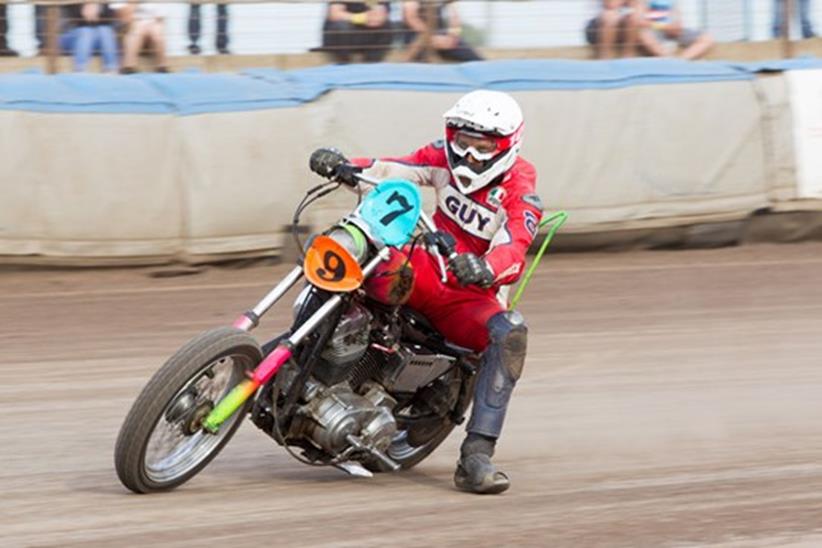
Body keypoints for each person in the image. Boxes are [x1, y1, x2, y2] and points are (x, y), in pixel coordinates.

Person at [309, 90, 543, 494]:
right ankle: (311, 349)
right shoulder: (441, 156)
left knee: (510, 334)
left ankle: (476, 456)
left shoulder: (521, 186)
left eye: (481, 147)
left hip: (470, 293)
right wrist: (345, 165)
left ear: (506, 146)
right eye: (463, 142)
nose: (468, 155)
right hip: (425, 264)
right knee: (364, 248)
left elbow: (516, 248)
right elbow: (394, 168)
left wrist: (486, 267)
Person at [402, 0, 482, 62]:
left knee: (471, 55)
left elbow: (454, 17)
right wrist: (431, 37)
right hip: (417, 36)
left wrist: (453, 36)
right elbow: (411, 18)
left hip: (441, 35)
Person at [320, 0, 393, 63]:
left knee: (387, 26)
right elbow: (335, 14)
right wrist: (360, 18)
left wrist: (374, 17)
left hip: (364, 33)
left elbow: (379, 14)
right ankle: (344, 65)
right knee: (342, 26)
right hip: (340, 37)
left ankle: (371, 65)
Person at [638, 0, 713, 60]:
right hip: (654, 31)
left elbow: (677, 16)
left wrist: (677, 25)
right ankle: (667, 59)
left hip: (674, 31)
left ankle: (680, 61)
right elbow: (639, 21)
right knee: (643, 33)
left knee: (707, 38)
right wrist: (665, 26)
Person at [60, 2, 119, 73]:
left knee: (105, 30)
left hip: (93, 38)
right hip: (67, 36)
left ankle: (111, 69)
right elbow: (75, 20)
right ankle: (80, 70)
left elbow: (110, 20)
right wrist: (85, 10)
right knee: (86, 31)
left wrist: (99, 8)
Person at [113, 1, 170, 73]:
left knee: (157, 31)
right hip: (131, 25)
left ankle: (162, 67)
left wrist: (148, 25)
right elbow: (124, 19)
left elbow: (160, 19)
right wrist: (133, 3)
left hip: (152, 26)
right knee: (137, 30)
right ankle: (128, 66)